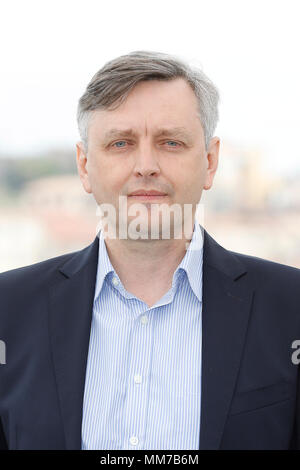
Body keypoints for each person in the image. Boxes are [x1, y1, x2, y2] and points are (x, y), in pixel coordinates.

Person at [0, 51, 299, 451]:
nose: (145, 165)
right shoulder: (7, 310)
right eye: (120, 143)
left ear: (210, 163)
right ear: (85, 165)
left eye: (170, 142)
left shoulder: (291, 308)